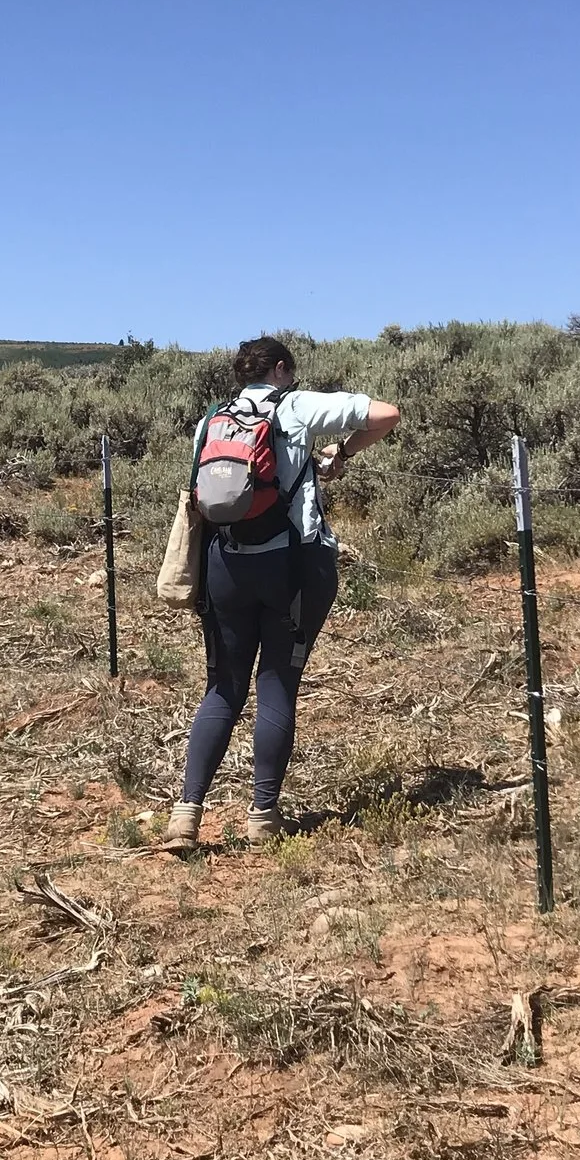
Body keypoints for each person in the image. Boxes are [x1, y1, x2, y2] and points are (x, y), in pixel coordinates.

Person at [156, 336, 400, 850]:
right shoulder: (297, 406)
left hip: (224, 564)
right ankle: (263, 815)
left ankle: (186, 813)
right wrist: (342, 453)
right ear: (282, 369)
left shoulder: (212, 419)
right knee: (277, 682)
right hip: (290, 565)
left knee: (222, 686)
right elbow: (386, 414)